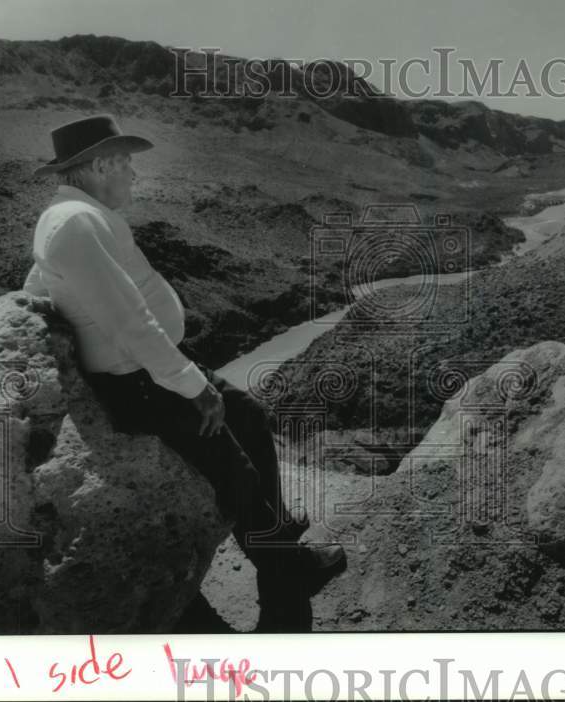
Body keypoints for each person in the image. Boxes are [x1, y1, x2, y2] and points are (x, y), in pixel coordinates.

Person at [22, 114, 346, 632]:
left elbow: (41, 280)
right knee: (237, 475)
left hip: (154, 369)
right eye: (126, 161)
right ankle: (286, 594)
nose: (134, 173)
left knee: (251, 416)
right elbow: (131, 323)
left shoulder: (77, 215)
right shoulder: (74, 223)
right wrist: (195, 389)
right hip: (142, 383)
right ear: (101, 163)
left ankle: (279, 544)